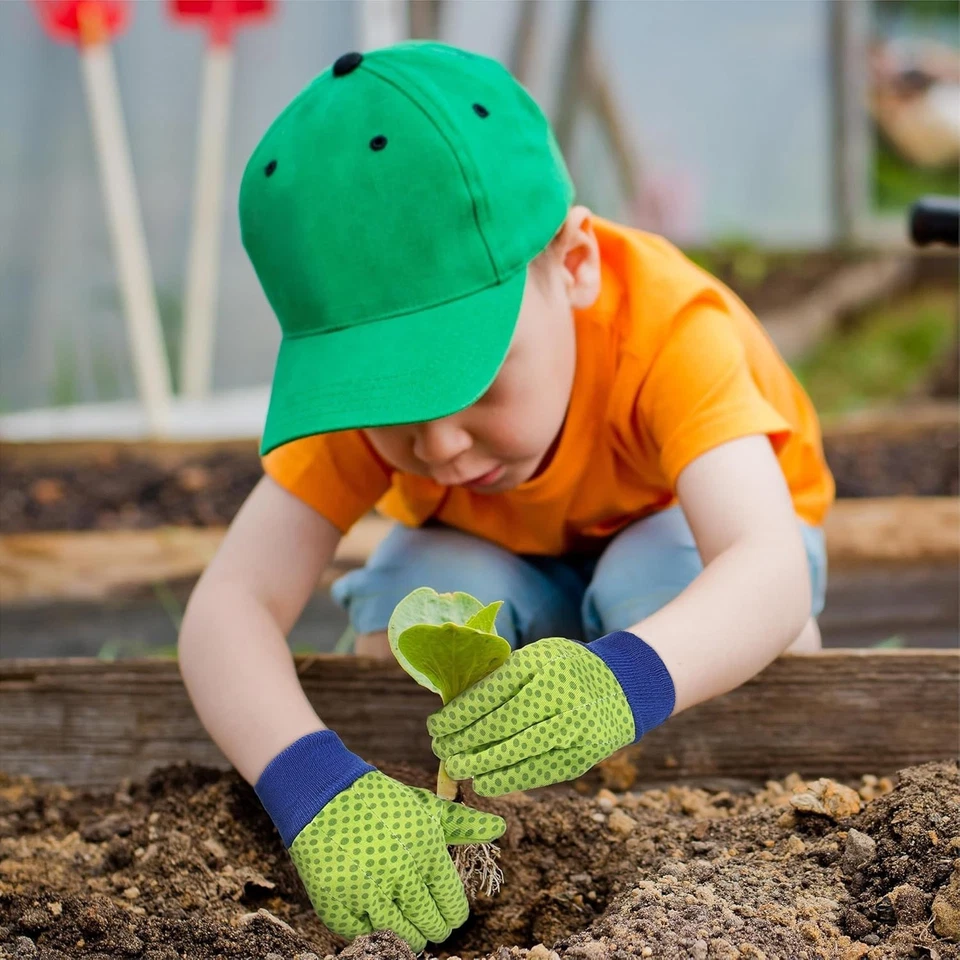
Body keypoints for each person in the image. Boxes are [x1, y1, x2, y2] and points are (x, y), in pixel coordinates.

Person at [178, 40, 834, 953]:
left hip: (685, 546)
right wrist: (313, 787)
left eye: (476, 380)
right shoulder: (395, 411)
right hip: (504, 552)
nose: (438, 444)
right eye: (391, 406)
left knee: (664, 580)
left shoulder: (672, 330)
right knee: (412, 601)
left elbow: (761, 562)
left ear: (573, 264)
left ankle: (681, 723)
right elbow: (229, 609)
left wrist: (622, 678)